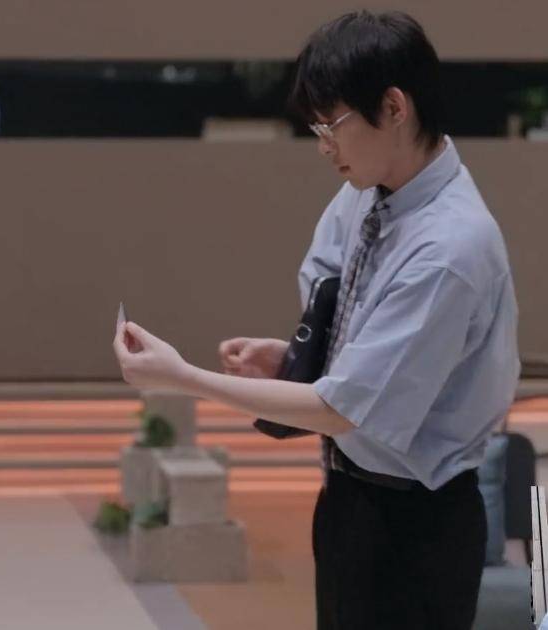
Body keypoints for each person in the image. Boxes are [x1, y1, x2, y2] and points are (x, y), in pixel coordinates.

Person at [113, 11, 519, 630]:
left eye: (332, 125)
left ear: (394, 107)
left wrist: (183, 377)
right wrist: (294, 357)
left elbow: (341, 408)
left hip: (418, 523)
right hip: (349, 495)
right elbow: (345, 318)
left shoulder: (450, 248)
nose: (324, 144)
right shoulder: (368, 192)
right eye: (316, 126)